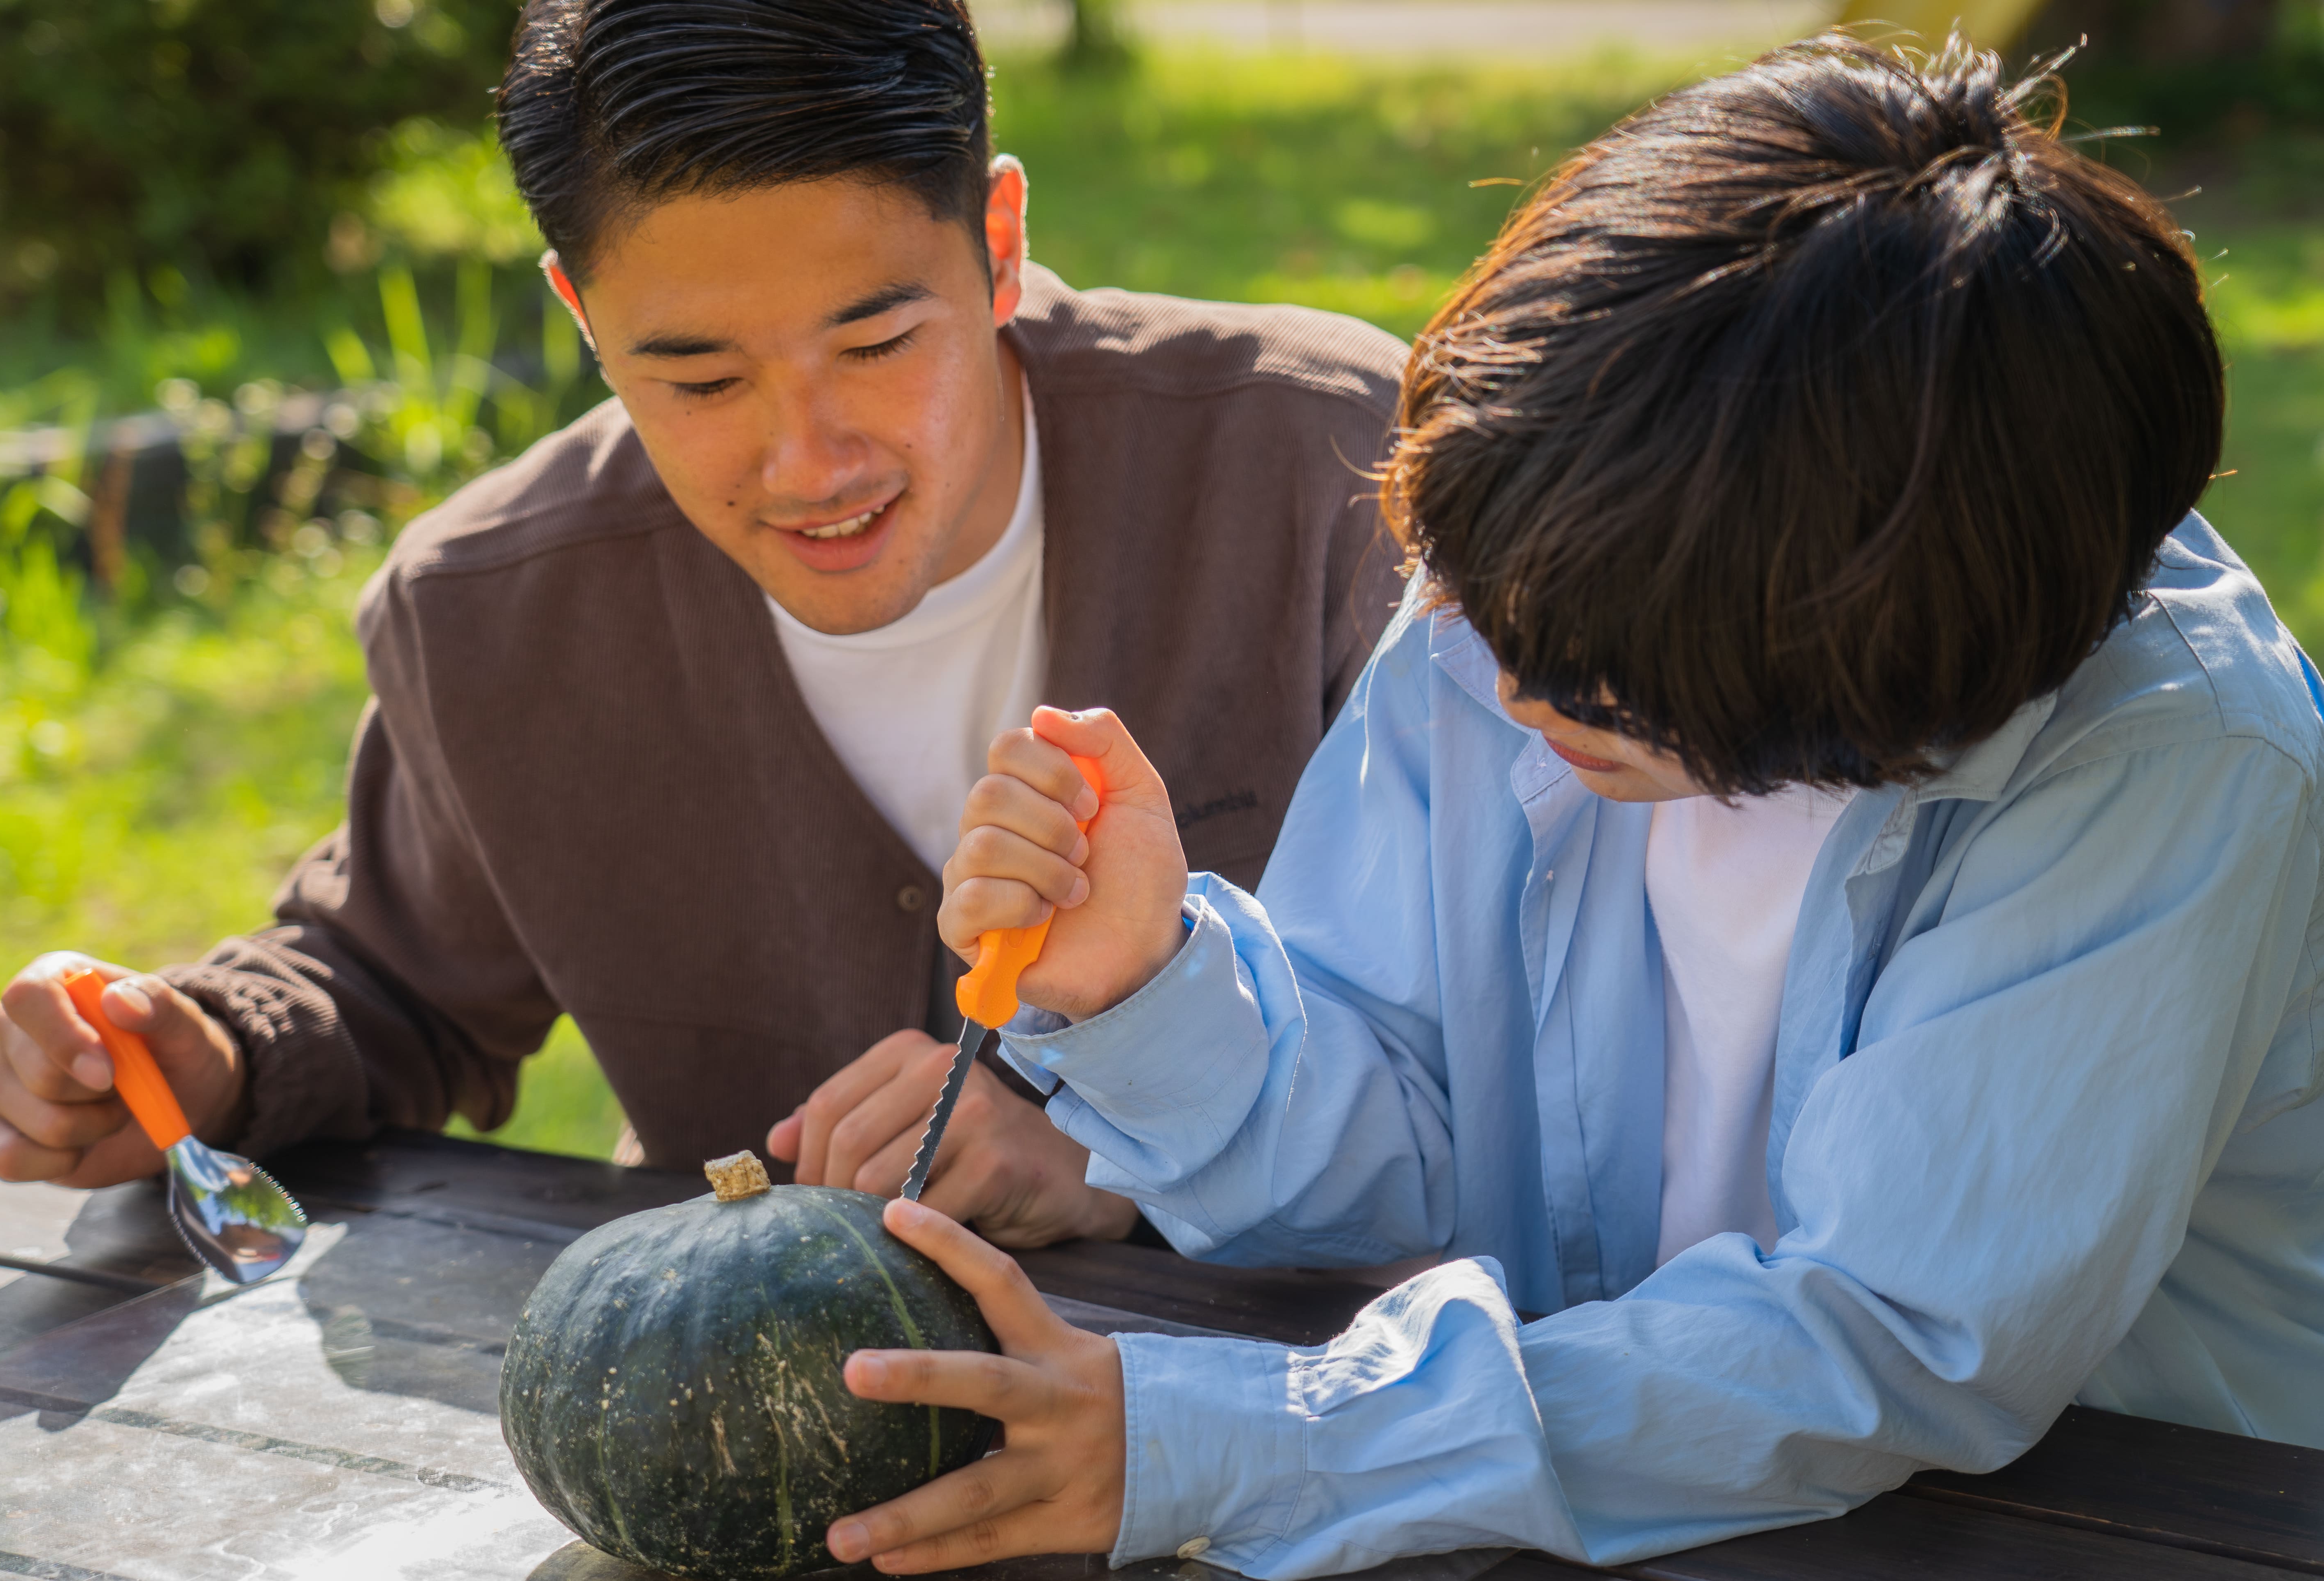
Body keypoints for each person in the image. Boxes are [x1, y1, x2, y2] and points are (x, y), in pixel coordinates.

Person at [801, 33, 2324, 1577]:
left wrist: (1256, 1432)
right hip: (1618, 1506)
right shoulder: (1544, 581)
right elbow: (1416, 1130)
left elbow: (1884, 1343)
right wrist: (1145, 985)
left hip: (2118, 1523)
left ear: (1869, 664)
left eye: (1587, 676)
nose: (1504, 688)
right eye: (1482, 607)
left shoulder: (2171, 764)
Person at [0, 0, 1407, 1247]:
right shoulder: (492, 611)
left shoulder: (1336, 480)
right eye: (702, 381)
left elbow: (1507, 1066)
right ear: (582, 316)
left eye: (877, 344)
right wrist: (199, 1052)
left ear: (998, 237)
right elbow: (389, 982)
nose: (810, 464)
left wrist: (1132, 1157)